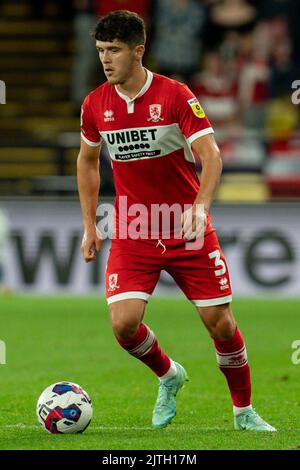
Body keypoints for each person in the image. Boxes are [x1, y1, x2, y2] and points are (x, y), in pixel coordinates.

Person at [77, 10, 276, 432]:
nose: (106, 60)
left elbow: (212, 157)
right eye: (100, 51)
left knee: (220, 324)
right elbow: (88, 162)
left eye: (114, 50)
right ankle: (169, 375)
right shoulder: (95, 104)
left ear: (138, 51)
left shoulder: (175, 96)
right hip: (134, 229)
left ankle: (244, 412)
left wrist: (201, 206)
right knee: (124, 324)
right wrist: (89, 225)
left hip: (186, 228)